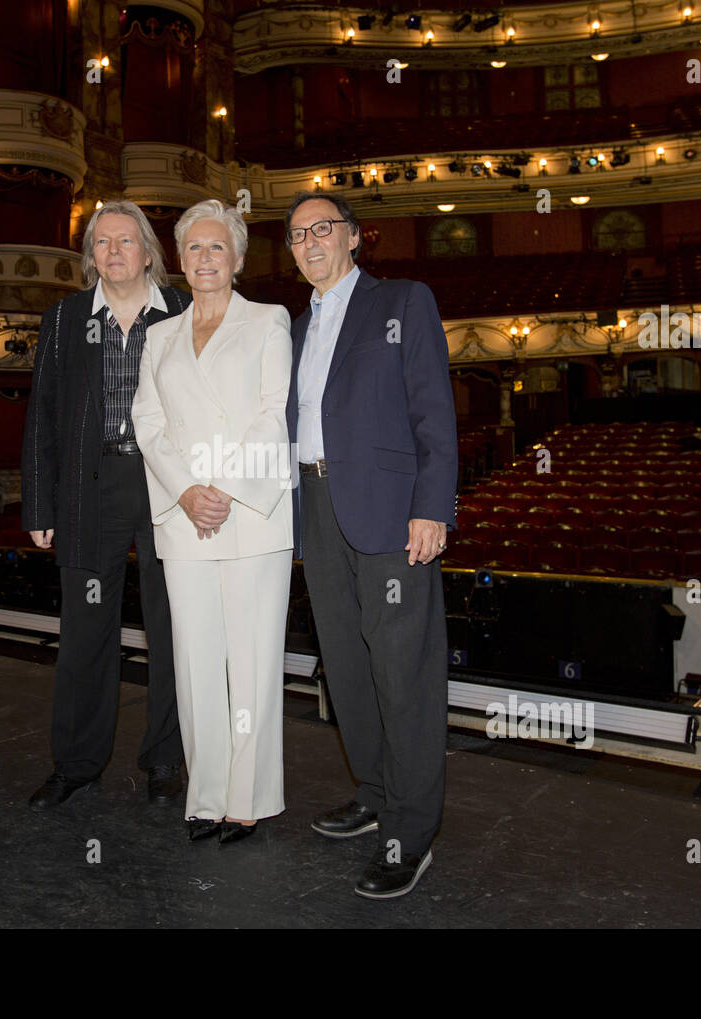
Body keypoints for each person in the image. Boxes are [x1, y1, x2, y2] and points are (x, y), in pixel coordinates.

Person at [284, 191, 457, 897]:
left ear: (353, 238)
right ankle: (377, 789)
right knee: (348, 667)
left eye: (323, 228)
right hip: (317, 506)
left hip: (390, 511)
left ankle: (409, 832)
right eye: (296, 235)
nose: (309, 242)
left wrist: (431, 507)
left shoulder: (403, 302)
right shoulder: (294, 328)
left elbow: (433, 411)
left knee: (401, 672)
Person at [132, 199, 293, 845]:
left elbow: (273, 412)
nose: (204, 258)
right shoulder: (158, 335)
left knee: (251, 662)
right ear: (178, 258)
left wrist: (220, 488)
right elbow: (148, 422)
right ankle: (205, 795)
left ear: (238, 257)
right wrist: (187, 491)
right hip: (183, 516)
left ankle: (247, 798)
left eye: (216, 247)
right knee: (195, 660)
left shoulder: (267, 320)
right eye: (193, 248)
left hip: (248, 511)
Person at [20, 200, 188, 810]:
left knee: (174, 628)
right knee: (86, 630)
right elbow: (42, 417)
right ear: (91, 257)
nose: (113, 252)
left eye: (125, 241)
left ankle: (167, 758)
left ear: (148, 251)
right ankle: (78, 764)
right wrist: (39, 505)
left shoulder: (184, 311)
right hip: (92, 488)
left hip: (169, 486)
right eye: (101, 243)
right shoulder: (65, 320)